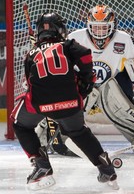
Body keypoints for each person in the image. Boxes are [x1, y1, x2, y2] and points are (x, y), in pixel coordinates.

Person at [10, 12, 117, 190]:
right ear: (60, 29)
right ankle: (106, 168)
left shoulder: (30, 55)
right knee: (78, 132)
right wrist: (85, 84)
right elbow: (85, 56)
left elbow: (30, 83)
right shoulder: (68, 45)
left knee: (19, 124)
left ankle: (41, 165)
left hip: (41, 103)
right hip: (70, 103)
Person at [67, 4, 134, 153]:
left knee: (122, 98)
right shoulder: (75, 37)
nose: (99, 31)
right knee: (64, 106)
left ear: (112, 26)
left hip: (111, 88)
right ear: (88, 26)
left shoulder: (123, 39)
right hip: (83, 85)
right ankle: (60, 139)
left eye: (104, 27)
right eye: (95, 27)